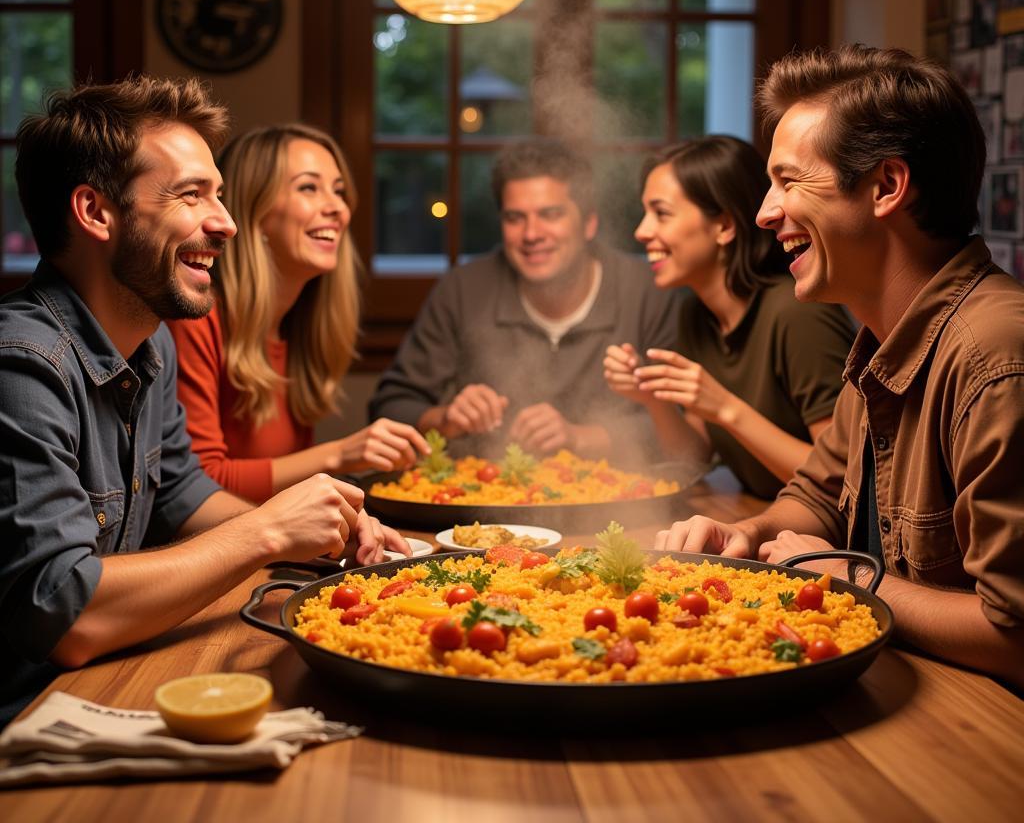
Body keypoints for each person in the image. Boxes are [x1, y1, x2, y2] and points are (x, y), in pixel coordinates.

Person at [0, 78, 395, 726]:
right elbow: (62, 612)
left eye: (218, 194)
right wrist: (268, 529)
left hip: (103, 686)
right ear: (96, 212)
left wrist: (318, 537)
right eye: (191, 195)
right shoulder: (22, 363)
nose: (226, 222)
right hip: (25, 722)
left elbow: (186, 495)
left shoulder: (149, 344)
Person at [657, 45, 1024, 686]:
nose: (765, 213)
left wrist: (847, 577)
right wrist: (744, 535)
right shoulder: (883, 338)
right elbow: (818, 495)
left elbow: (1013, 634)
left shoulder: (996, 357)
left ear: (886, 186)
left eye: (790, 181)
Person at [369, 138, 680, 462]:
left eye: (550, 214)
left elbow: (684, 428)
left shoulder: (646, 290)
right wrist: (446, 419)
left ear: (589, 223)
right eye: (515, 218)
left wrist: (579, 438)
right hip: (485, 499)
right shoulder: (463, 289)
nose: (531, 234)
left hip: (619, 499)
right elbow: (389, 408)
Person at [167, 124, 430, 504]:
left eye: (338, 191)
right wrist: (338, 455)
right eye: (309, 187)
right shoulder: (196, 319)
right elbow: (196, 484)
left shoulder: (298, 326)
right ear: (254, 211)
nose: (338, 207)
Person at [603, 137, 854, 498]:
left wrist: (723, 407)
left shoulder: (797, 314)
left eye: (661, 213)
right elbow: (694, 457)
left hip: (824, 541)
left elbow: (842, 478)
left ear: (724, 226)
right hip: (760, 516)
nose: (641, 231)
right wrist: (653, 399)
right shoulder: (695, 314)